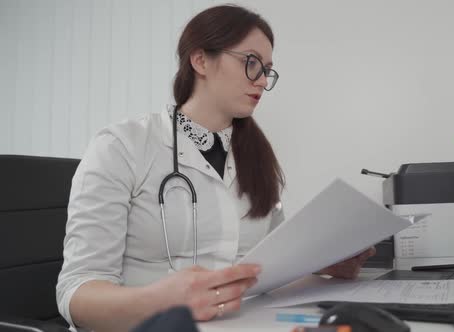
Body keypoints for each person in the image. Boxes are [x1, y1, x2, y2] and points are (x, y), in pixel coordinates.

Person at [56, 5, 375, 332]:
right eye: (252, 63)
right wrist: (159, 301)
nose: (263, 81)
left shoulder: (256, 157)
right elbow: (75, 294)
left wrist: (322, 266)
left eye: (267, 70)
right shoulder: (121, 146)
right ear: (200, 60)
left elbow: (268, 265)